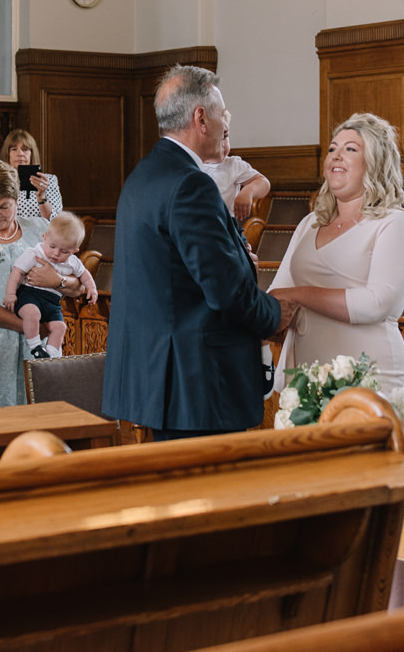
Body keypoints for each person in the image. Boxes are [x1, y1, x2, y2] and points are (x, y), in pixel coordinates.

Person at [102, 65, 295, 439]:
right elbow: (223, 289)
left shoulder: (145, 174)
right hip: (196, 384)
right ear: (201, 118)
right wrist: (274, 314)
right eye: (223, 115)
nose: (227, 125)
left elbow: (176, 267)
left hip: (160, 377)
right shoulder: (192, 184)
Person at [268, 113, 404, 394]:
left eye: (350, 149)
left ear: (374, 162)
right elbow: (280, 291)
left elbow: (375, 303)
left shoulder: (395, 224)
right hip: (308, 375)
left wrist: (299, 295)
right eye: (332, 150)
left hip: (370, 377)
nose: (336, 156)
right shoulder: (309, 224)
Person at [0, 160, 78, 405]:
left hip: (40, 346)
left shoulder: (40, 228)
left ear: (17, 200)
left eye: (4, 207)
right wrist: (28, 327)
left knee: (41, 418)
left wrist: (58, 280)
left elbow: (78, 284)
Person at [4, 211, 97, 359]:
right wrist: (10, 294)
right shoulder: (35, 253)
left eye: (64, 251)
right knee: (32, 314)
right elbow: (17, 272)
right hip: (30, 295)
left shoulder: (73, 262)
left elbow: (84, 274)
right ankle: (35, 347)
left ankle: (49, 355)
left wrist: (92, 288)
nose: (56, 253)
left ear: (74, 251)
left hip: (53, 302)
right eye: (52, 246)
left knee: (60, 327)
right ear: (44, 238)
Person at [201, 112, 271, 223]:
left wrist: (248, 191)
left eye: (225, 136)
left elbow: (263, 182)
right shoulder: (190, 165)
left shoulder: (232, 165)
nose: (223, 143)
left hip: (226, 224)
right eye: (216, 136)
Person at [2, 129, 64, 221]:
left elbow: (55, 222)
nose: (20, 154)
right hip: (5, 234)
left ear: (32, 154)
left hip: (40, 234)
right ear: (7, 154)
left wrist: (41, 197)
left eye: (25, 149)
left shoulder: (48, 180)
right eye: (14, 149)